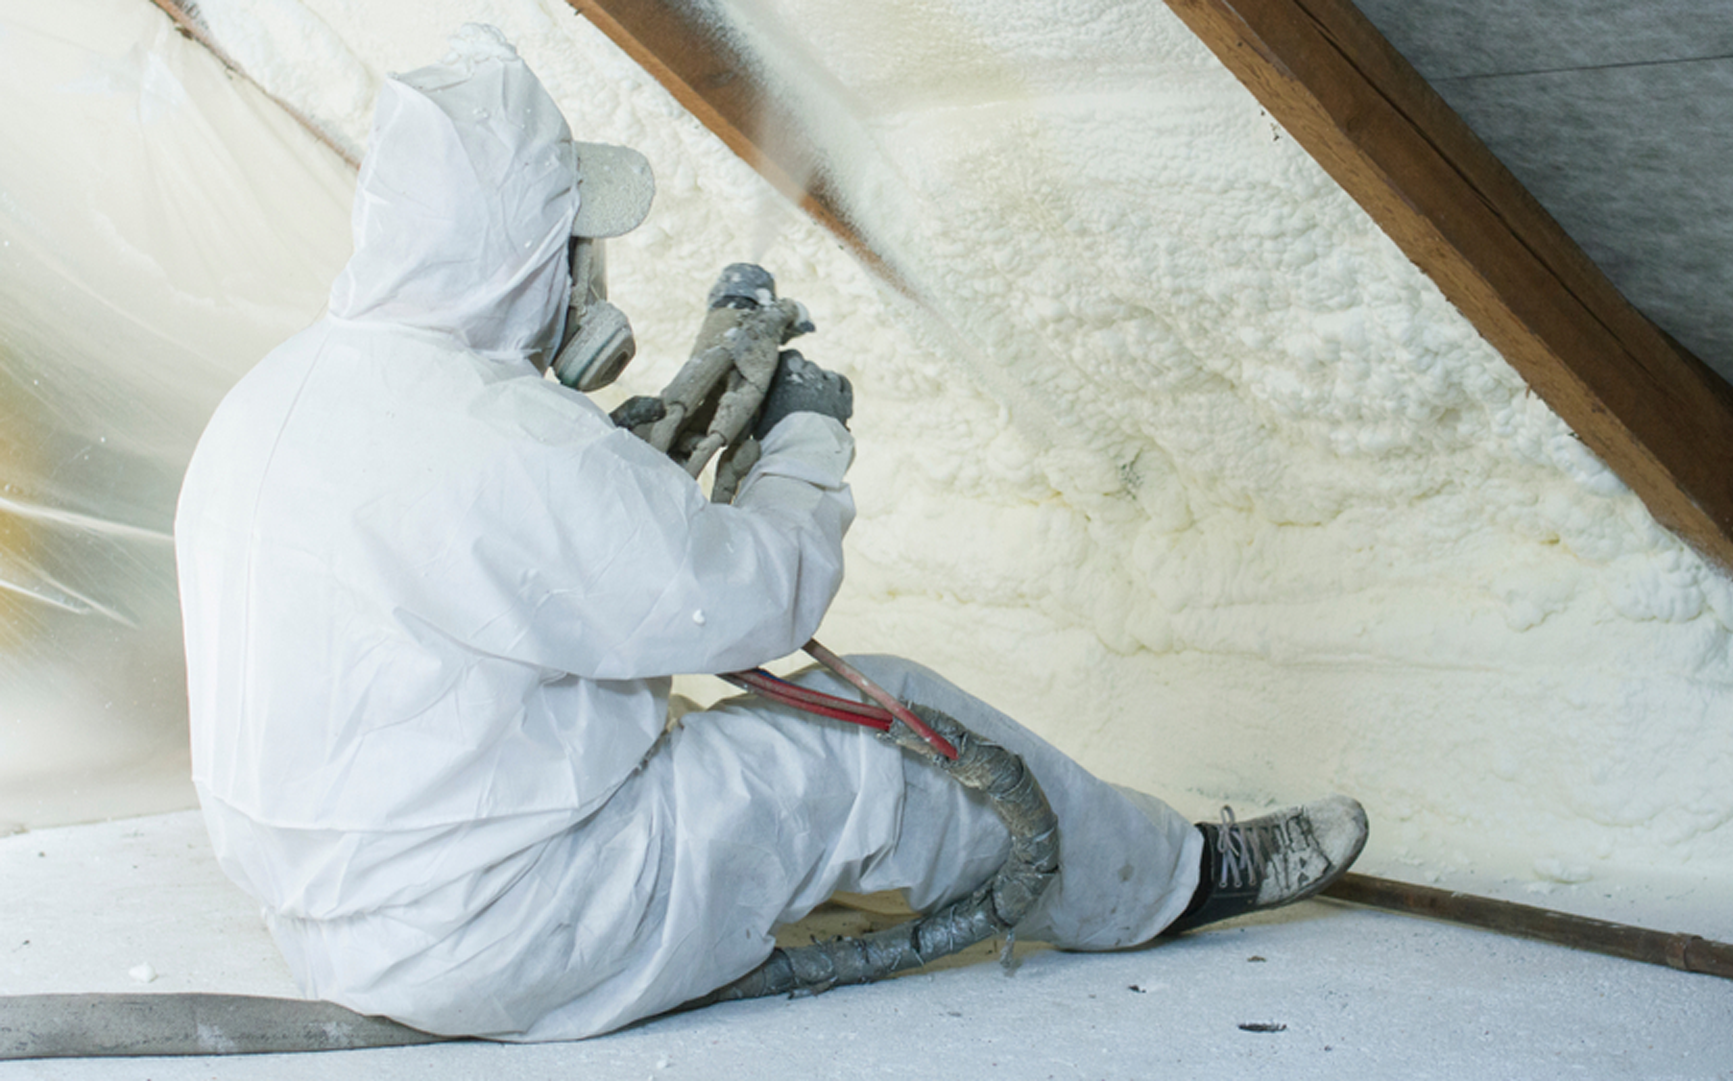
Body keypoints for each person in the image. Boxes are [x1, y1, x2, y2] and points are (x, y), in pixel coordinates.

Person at [174, 25, 1367, 1042]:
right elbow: (752, 603)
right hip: (509, 929)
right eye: (570, 240)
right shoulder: (507, 443)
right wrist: (805, 446)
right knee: (889, 728)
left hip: (332, 923)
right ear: (527, 250)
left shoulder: (276, 399)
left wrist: (623, 462)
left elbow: (482, 576)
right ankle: (1175, 882)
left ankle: (1154, 871)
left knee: (712, 742)